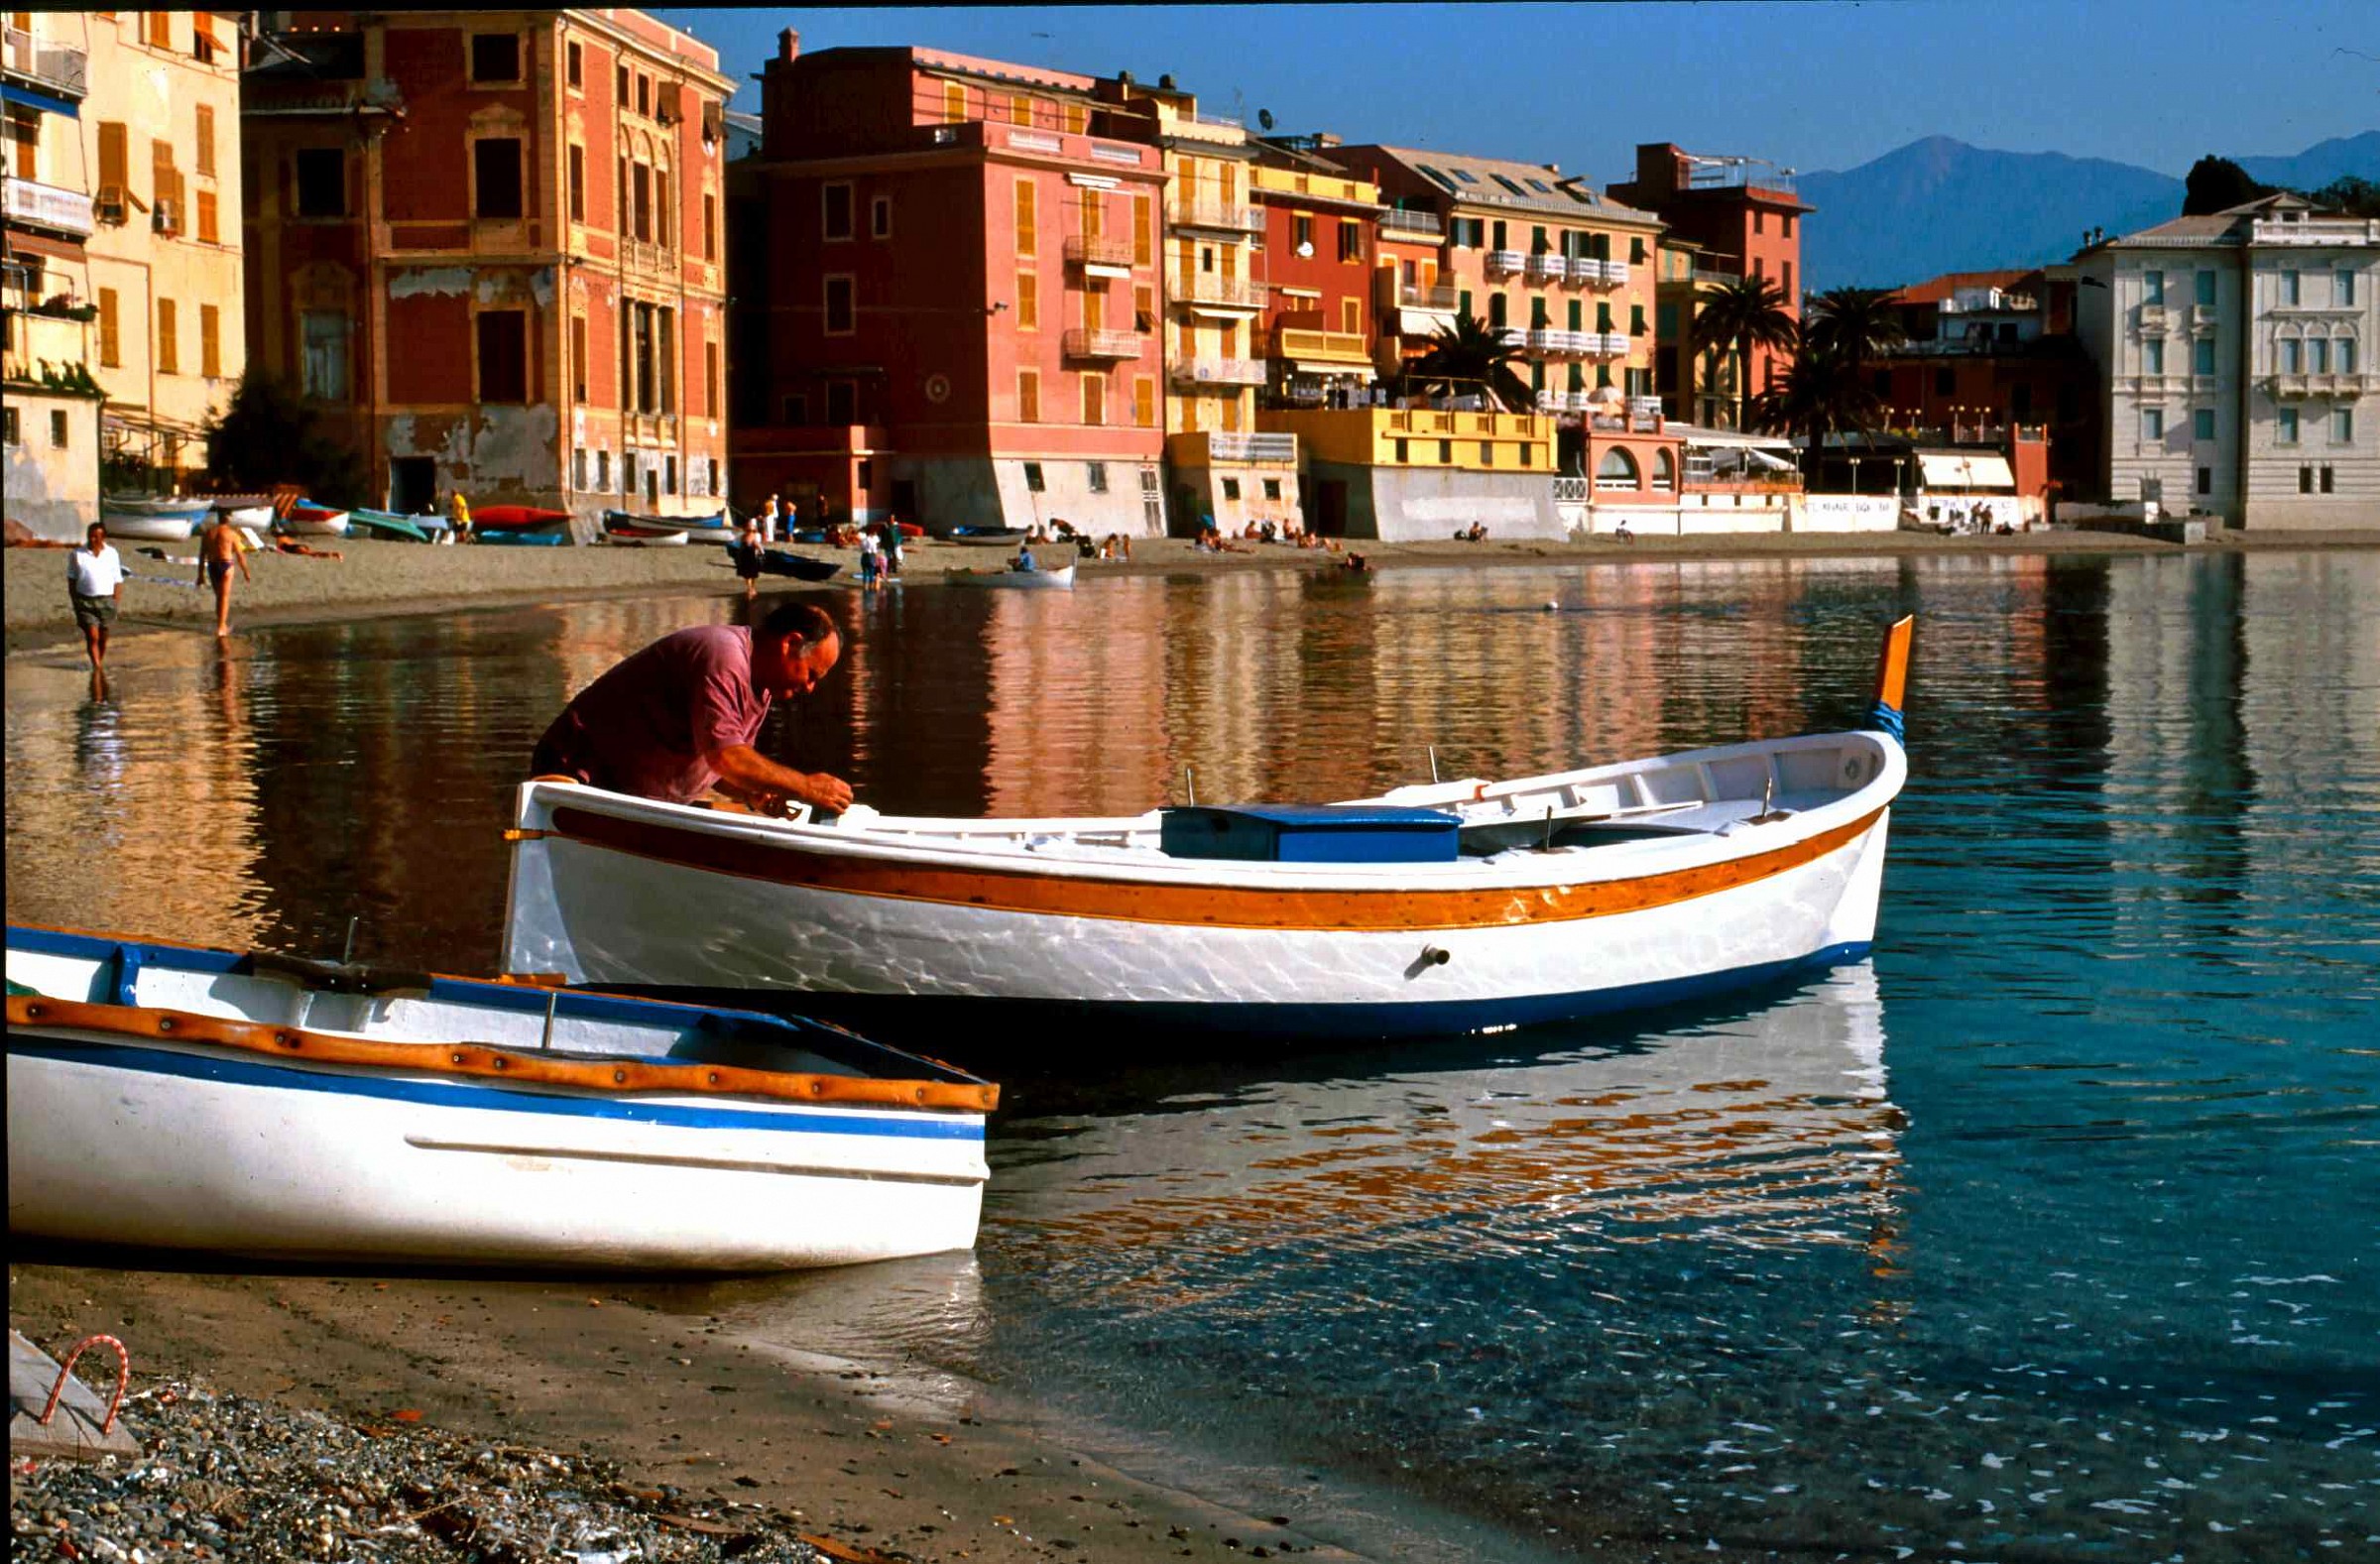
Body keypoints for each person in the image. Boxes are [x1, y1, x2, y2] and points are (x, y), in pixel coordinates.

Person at [530, 599, 853, 815]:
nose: (810, 688)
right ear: (790, 643)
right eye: (811, 674)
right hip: (576, 773)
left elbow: (715, 764)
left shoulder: (762, 686)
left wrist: (750, 793)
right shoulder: (723, 656)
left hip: (631, 795)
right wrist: (807, 787)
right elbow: (726, 757)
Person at [67, 522, 125, 671]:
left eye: (96, 537)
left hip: (106, 601)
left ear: (102, 537)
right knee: (93, 636)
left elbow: (117, 579)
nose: (92, 539)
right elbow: (71, 579)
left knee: (103, 637)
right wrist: (75, 600)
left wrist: (115, 601)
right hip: (85, 601)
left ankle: (99, 659)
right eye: (90, 536)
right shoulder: (77, 554)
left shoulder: (112, 553)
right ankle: (97, 667)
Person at [194, 510, 253, 638]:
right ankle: (221, 627)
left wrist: (200, 575)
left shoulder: (209, 533)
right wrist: (246, 571)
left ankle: (221, 624)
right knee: (224, 597)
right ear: (228, 518)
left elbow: (202, 555)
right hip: (226, 565)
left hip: (212, 566)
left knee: (219, 597)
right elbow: (240, 555)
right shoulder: (231, 534)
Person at [735, 512, 765, 601]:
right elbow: (758, 546)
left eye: (751, 530)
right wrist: (762, 552)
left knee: (749, 573)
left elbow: (742, 547)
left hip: (747, 556)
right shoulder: (751, 537)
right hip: (749, 556)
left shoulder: (744, 537)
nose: (751, 532)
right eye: (749, 530)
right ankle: (751, 588)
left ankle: (750, 588)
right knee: (750, 573)